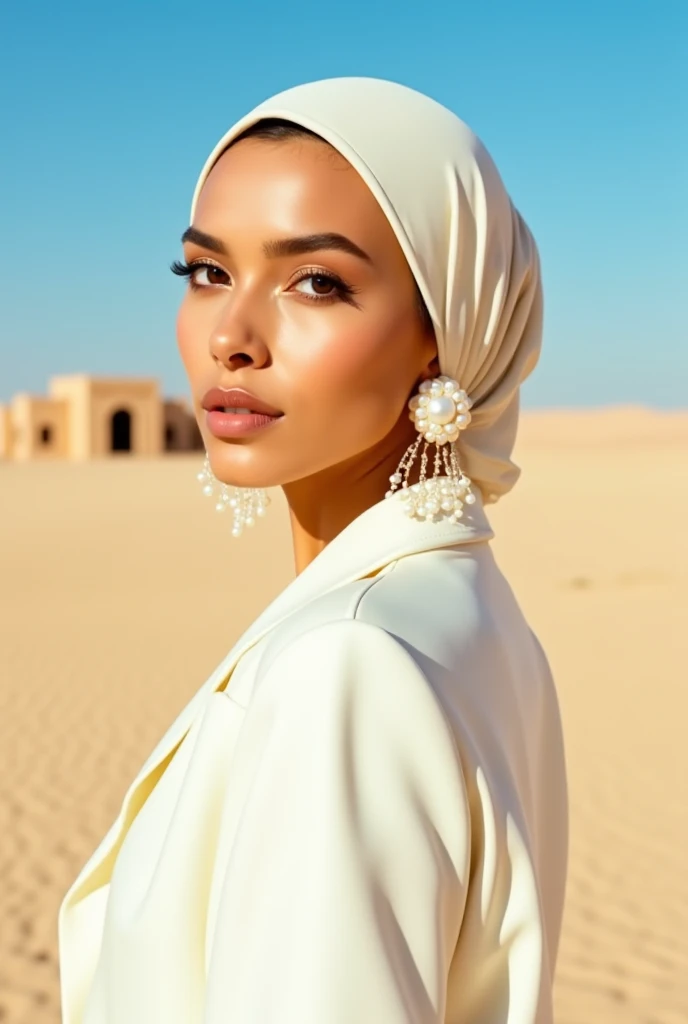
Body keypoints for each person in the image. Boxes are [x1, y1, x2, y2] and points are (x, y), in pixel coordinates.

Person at [58, 76, 569, 1024]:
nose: (231, 336)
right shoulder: (472, 606)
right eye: (206, 271)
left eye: (317, 282)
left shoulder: (350, 666)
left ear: (441, 335)